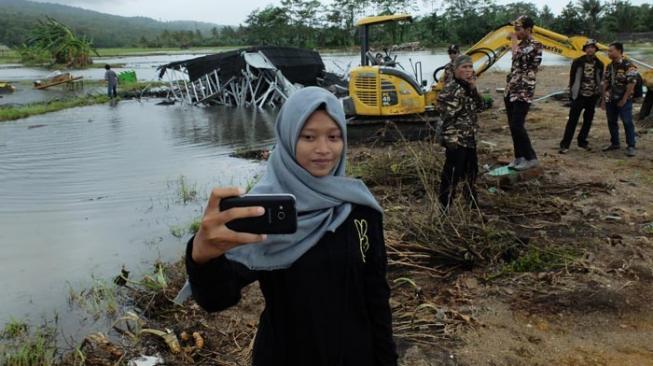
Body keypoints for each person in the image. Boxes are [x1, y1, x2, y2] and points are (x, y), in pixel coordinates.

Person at [185, 87, 398, 366]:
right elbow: (217, 299)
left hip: (356, 356)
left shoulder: (359, 209)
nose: (323, 149)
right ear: (287, 138)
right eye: (308, 137)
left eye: (333, 137)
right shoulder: (263, 211)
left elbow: (376, 296)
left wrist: (387, 360)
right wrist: (202, 255)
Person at [437, 55, 484, 211]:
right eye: (464, 67)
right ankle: (445, 207)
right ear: (456, 69)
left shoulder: (468, 87)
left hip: (469, 137)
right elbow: (446, 119)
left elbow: (480, 107)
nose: (468, 70)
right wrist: (451, 141)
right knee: (452, 174)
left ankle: (471, 203)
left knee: (472, 171)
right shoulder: (451, 89)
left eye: (470, 67)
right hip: (456, 139)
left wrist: (473, 89)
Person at [504, 15, 542, 171]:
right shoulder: (521, 44)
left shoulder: (535, 44)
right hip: (512, 89)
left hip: (523, 91)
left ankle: (531, 157)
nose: (516, 32)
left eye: (519, 29)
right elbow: (515, 64)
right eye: (515, 29)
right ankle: (519, 156)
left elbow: (519, 56)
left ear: (528, 29)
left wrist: (513, 40)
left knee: (517, 124)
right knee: (513, 126)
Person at [559, 39, 604, 154]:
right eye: (588, 47)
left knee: (588, 120)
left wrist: (600, 95)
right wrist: (571, 93)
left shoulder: (599, 64)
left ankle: (582, 141)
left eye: (592, 47)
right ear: (584, 49)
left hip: (592, 96)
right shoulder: (578, 62)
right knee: (572, 120)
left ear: (595, 49)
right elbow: (572, 78)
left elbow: (600, 80)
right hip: (579, 95)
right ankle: (565, 144)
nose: (590, 49)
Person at [601, 42, 639, 157]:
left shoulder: (629, 65)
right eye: (608, 51)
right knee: (611, 121)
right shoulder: (609, 66)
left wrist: (624, 99)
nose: (609, 53)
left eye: (611, 51)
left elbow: (631, 84)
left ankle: (631, 146)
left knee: (627, 122)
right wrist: (603, 99)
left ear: (619, 51)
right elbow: (606, 82)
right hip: (611, 98)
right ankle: (615, 143)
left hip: (624, 99)